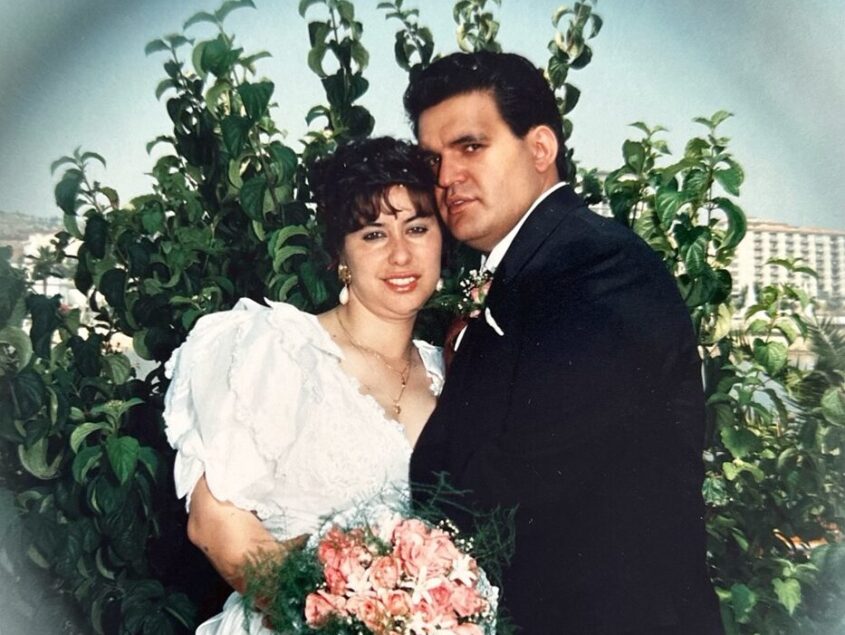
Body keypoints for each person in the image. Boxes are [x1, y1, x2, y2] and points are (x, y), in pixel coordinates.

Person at [405, 51, 724, 634]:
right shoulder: (532, 269)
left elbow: (523, 479)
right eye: (434, 159)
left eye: (471, 146)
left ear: (540, 149)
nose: (446, 176)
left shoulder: (597, 268)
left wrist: (389, 562)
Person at [163, 137, 445, 633]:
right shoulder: (276, 350)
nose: (401, 254)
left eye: (418, 228)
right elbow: (216, 525)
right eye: (374, 235)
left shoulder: (453, 373)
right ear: (341, 253)